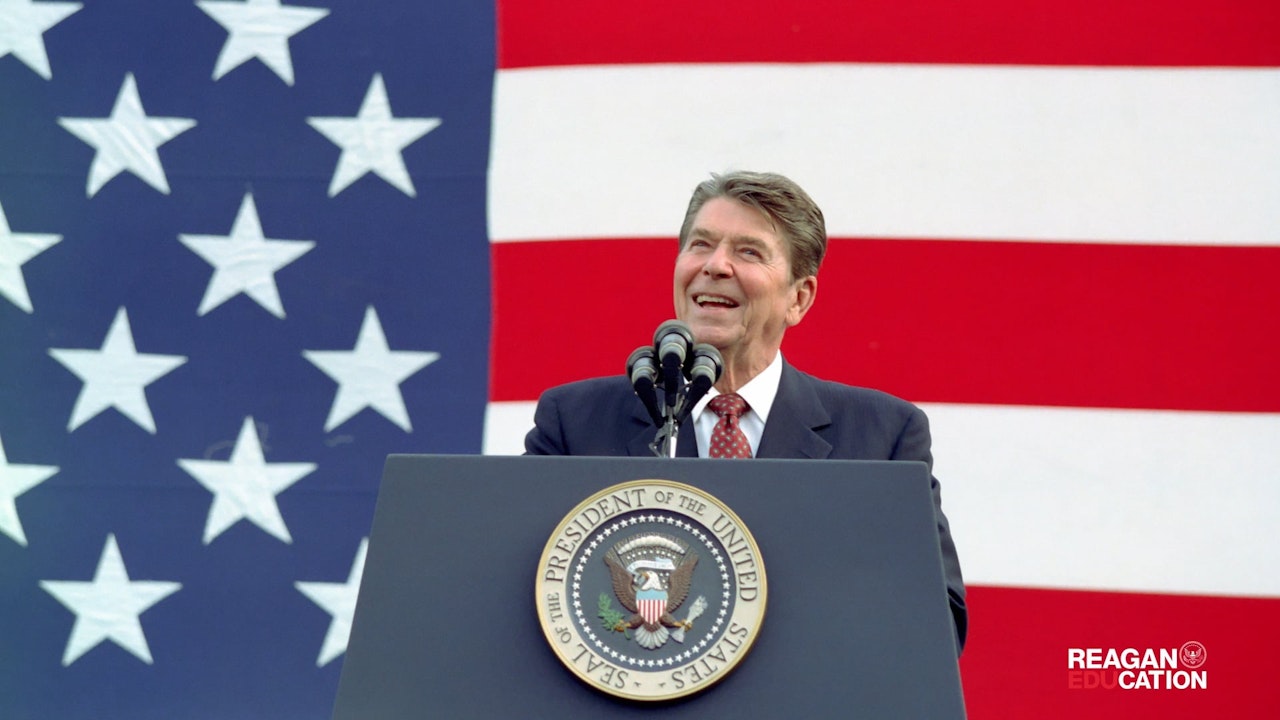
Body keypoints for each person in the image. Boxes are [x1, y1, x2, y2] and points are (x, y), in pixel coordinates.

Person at [524, 171, 967, 652]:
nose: (715, 266)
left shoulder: (882, 437)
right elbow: (524, 594)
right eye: (701, 245)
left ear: (798, 298)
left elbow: (936, 621)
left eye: (748, 252)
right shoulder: (574, 420)